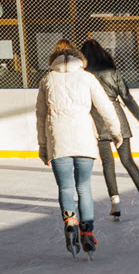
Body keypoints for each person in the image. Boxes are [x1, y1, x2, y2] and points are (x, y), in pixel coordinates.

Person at [36, 39, 121, 257]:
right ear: (78, 59)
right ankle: (88, 233)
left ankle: (70, 221)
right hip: (84, 140)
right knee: (84, 187)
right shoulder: (87, 77)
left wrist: (43, 147)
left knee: (65, 188)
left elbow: (41, 116)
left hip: (58, 140)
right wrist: (116, 133)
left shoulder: (47, 79)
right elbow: (105, 106)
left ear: (53, 61)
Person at [80, 39, 139, 219]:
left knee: (108, 163)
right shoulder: (112, 72)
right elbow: (126, 97)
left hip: (98, 120)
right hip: (118, 119)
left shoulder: (84, 75)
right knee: (128, 160)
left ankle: (115, 202)